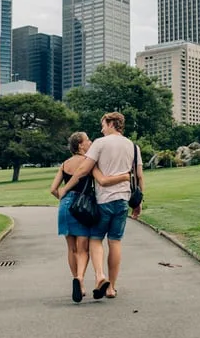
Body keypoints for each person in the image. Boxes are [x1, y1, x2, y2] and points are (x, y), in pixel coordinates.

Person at [59, 113, 144, 300]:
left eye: (103, 124)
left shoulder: (100, 143)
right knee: (115, 241)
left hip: (104, 200)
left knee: (95, 239)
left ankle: (100, 277)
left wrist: (65, 188)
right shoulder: (133, 147)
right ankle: (111, 288)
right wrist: (138, 203)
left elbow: (83, 169)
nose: (101, 129)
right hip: (123, 200)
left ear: (112, 123)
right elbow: (139, 176)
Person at [50, 132, 129, 303]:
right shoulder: (89, 162)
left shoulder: (64, 164)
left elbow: (53, 189)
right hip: (83, 207)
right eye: (87, 140)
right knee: (83, 248)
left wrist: (65, 199)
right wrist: (124, 176)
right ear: (80, 145)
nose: (90, 142)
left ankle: (80, 285)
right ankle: (79, 278)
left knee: (71, 248)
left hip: (65, 205)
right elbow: (102, 180)